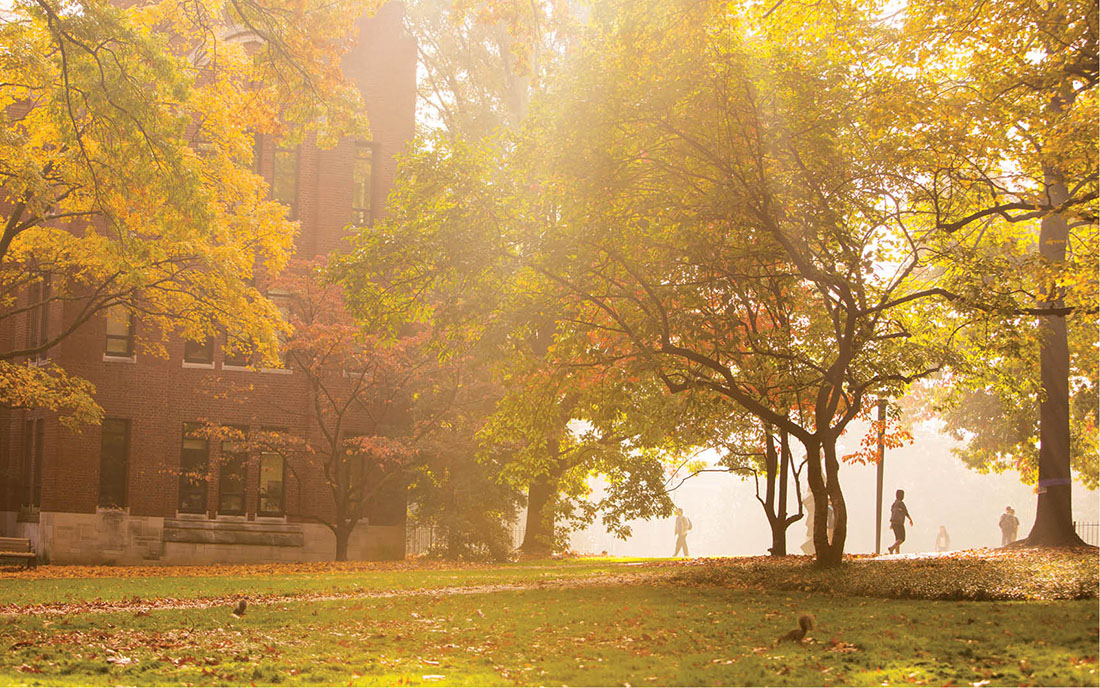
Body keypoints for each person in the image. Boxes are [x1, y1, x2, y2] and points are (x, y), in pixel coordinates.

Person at [887, 489, 913, 554]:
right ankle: (892, 548)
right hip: (899, 523)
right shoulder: (901, 503)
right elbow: (905, 512)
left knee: (897, 538)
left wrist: (891, 523)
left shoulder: (894, 504)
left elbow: (893, 513)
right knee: (902, 538)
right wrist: (910, 519)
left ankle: (897, 552)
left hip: (893, 522)